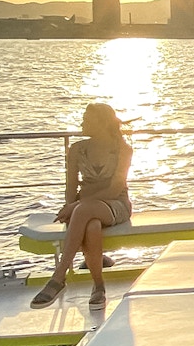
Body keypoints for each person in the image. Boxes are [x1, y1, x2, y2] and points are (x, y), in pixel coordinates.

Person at [30, 102, 133, 311]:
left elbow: (115, 188)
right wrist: (71, 206)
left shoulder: (122, 149)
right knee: (91, 226)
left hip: (115, 204)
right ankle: (98, 287)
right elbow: (70, 186)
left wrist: (76, 206)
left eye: (87, 120)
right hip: (83, 209)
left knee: (83, 211)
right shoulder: (77, 149)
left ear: (102, 123)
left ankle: (58, 277)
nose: (81, 123)